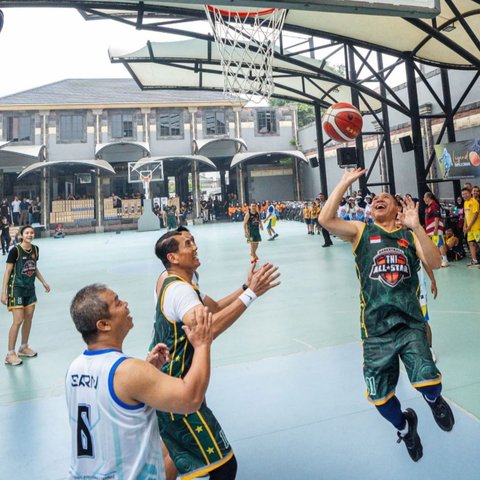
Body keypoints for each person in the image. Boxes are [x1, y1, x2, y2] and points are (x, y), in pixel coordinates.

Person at [319, 168, 454, 463]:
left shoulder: (409, 235)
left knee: (428, 381)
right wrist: (343, 182)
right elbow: (325, 221)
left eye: (386, 198)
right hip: (375, 330)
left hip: (408, 323)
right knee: (379, 398)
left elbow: (436, 261)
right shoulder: (360, 232)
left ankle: (434, 400)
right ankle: (406, 427)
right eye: (375, 198)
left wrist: (418, 227)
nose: (378, 198)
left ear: (397, 210)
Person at [152, 230, 280, 479]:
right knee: (224, 466)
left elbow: (216, 308)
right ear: (173, 257)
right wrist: (251, 294)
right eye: (188, 243)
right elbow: (207, 330)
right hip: (178, 387)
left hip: (168, 385)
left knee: (174, 453)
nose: (195, 246)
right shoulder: (181, 292)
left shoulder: (175, 281)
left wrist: (246, 287)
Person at [66, 284, 213, 480]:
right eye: (117, 302)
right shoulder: (129, 371)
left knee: (168, 446)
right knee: (181, 440)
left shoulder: (75, 368)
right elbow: (191, 399)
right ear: (103, 325)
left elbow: (115, 398)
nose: (125, 304)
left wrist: (148, 370)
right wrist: (203, 344)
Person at [1, 225, 50, 366]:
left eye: (31, 232)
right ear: (21, 235)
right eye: (27, 233)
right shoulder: (14, 251)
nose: (30, 235)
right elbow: (7, 272)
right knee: (18, 320)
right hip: (16, 288)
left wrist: (43, 282)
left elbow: (34, 267)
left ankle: (23, 347)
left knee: (29, 317)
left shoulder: (35, 249)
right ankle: (10, 354)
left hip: (30, 288)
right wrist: (3, 292)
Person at [423, 192, 448, 267]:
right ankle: (439, 259)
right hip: (429, 229)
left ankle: (445, 260)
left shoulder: (435, 206)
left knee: (440, 243)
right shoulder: (428, 207)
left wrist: (436, 228)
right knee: (435, 245)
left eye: (424, 197)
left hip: (435, 228)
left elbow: (437, 217)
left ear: (428, 198)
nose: (423, 199)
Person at [461, 187, 480, 267]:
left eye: (466, 194)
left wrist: (470, 226)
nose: (464, 195)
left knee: (479, 243)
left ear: (470, 193)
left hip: (476, 228)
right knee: (471, 243)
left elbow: (475, 215)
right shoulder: (465, 203)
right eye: (463, 194)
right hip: (469, 229)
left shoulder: (474, 202)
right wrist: (464, 226)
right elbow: (466, 216)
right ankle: (474, 260)